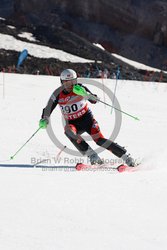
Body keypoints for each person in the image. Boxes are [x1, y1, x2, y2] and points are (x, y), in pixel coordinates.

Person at [39, 69, 135, 166]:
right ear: (62, 82)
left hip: (87, 120)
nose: (70, 85)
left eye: (72, 81)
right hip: (72, 123)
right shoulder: (57, 94)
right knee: (69, 132)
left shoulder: (80, 88)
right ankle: (93, 156)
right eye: (66, 82)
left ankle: (126, 157)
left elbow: (94, 99)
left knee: (100, 141)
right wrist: (45, 118)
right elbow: (48, 108)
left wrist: (87, 95)